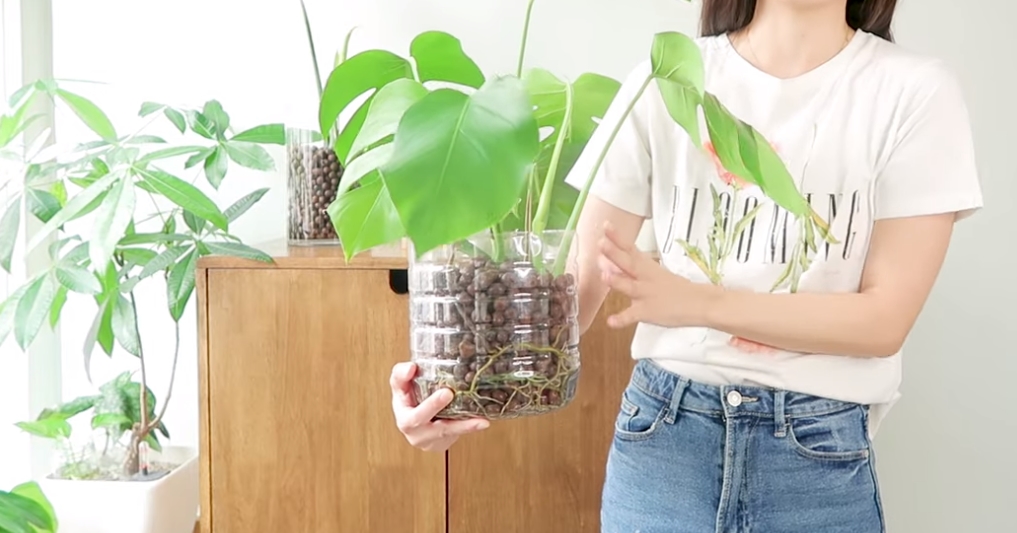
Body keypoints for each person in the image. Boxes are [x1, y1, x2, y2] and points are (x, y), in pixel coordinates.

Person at [389, 0, 984, 531]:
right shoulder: (664, 81)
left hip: (816, 460)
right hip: (664, 441)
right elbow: (574, 292)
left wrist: (695, 302)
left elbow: (884, 323)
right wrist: (447, 391)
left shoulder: (913, 92)